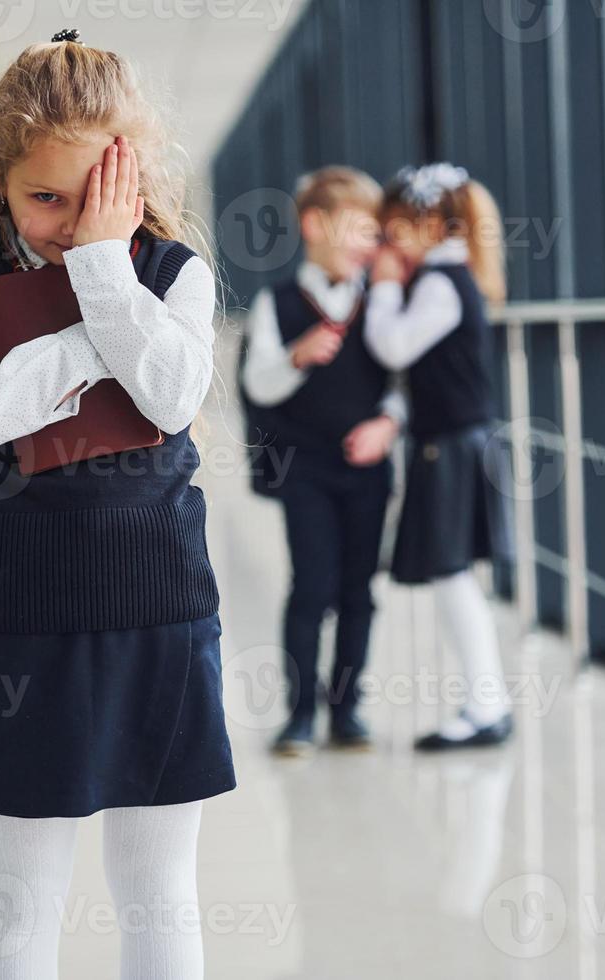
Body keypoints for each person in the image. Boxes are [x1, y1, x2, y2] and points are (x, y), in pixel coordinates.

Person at [0, 30, 231, 979]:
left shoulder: (173, 272)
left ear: (131, 177)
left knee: (159, 895)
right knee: (19, 907)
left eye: (92, 197)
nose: (64, 220)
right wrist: (99, 331)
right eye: (43, 197)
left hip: (162, 616)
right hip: (23, 624)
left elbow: (172, 395)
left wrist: (100, 270)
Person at [238, 166, 406, 757]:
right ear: (315, 225)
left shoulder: (382, 305)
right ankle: (300, 714)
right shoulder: (278, 304)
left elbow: (401, 382)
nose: (370, 244)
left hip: (367, 471)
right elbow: (257, 384)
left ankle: (347, 710)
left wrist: (388, 424)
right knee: (311, 586)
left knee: (359, 590)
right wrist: (297, 355)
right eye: (361, 229)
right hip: (305, 470)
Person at [364, 162, 516, 751]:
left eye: (396, 228)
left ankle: (486, 706)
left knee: (455, 579)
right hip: (456, 441)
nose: (389, 241)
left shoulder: (438, 282)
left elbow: (391, 344)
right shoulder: (455, 276)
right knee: (457, 580)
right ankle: (485, 701)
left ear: (429, 223)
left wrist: (381, 284)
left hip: (449, 446)